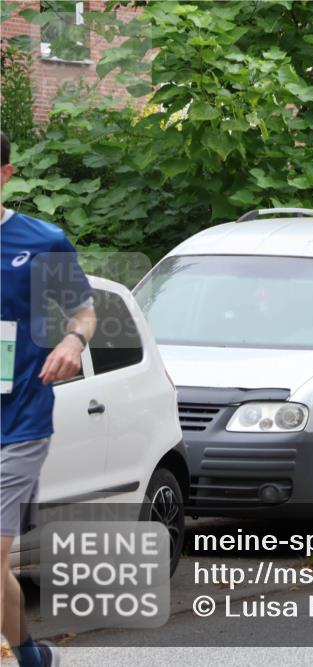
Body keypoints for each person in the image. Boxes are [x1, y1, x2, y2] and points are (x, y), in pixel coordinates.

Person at [1, 131, 96, 667]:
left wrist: (71, 339)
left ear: (6, 175)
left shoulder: (41, 241)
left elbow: (82, 311)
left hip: (18, 424)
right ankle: (33, 657)